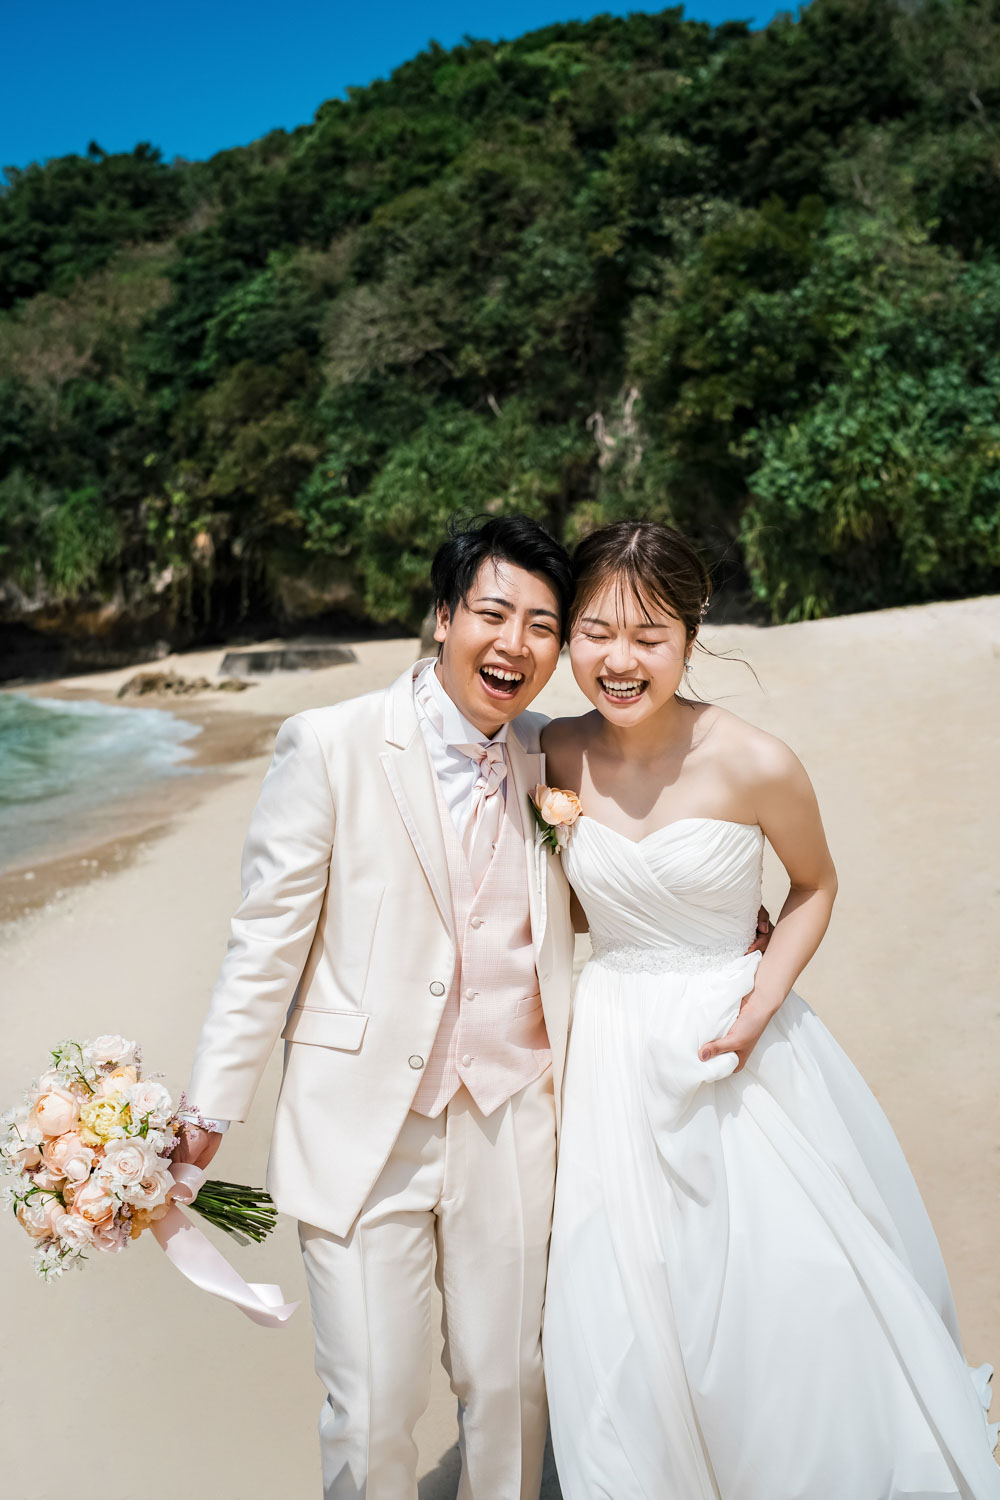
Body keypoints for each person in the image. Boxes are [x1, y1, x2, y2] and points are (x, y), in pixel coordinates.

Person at [541, 520, 1000, 1500]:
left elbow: (814, 885)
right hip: (609, 1046)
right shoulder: (554, 752)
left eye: (649, 637)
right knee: (620, 1282)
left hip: (732, 1044)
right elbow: (568, 906)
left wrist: (759, 1003)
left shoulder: (753, 760)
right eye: (595, 632)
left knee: (774, 1281)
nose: (619, 661)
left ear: (691, 634)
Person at [175, 515, 577, 1499]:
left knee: (511, 1387)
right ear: (443, 618)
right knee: (370, 1408)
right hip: (360, 1125)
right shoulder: (329, 743)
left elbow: (618, 879)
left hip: (512, 1112)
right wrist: (210, 1106)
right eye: (492, 614)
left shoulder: (557, 756)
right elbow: (266, 937)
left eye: (541, 625)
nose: (515, 644)